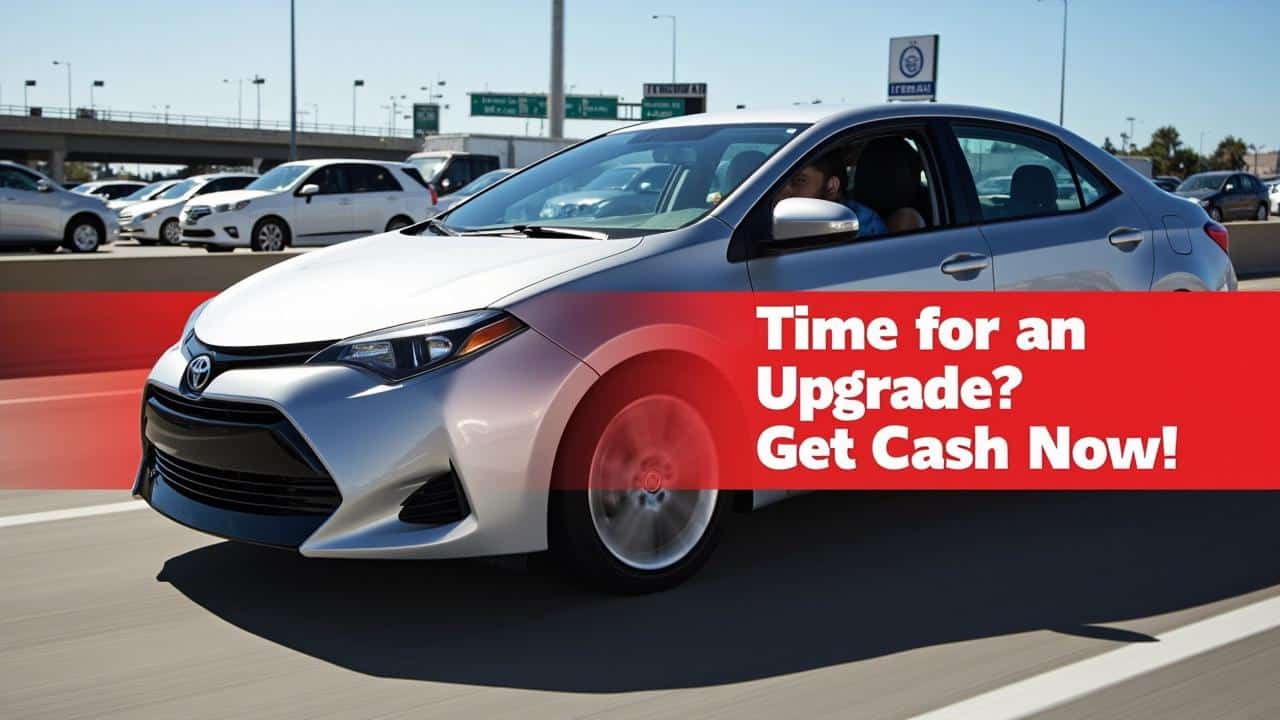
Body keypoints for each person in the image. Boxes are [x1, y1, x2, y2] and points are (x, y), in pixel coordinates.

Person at [772, 152, 887, 237]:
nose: (782, 191)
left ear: (831, 187)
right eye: (779, 181)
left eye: (799, 180)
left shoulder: (862, 228)